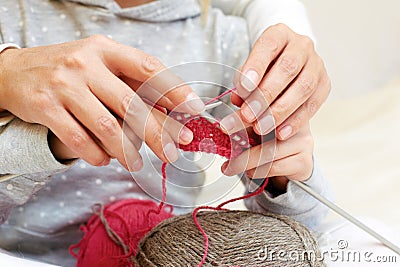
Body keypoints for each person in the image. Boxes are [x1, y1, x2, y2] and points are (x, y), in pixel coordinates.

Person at [0, 0, 332, 266]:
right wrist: (49, 142)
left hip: (171, 254)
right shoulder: (12, 21)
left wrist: (282, 181)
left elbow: (308, 234)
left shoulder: (226, 38)